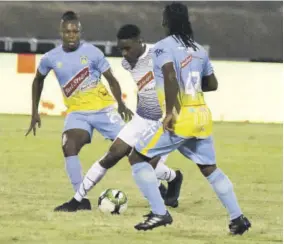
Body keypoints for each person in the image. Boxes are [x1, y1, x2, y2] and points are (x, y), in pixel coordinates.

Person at [127, 2, 251, 234]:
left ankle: (159, 213)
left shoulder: (163, 47)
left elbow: (170, 76)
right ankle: (238, 218)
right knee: (210, 168)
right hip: (201, 114)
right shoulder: (199, 49)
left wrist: (171, 112)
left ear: (166, 22)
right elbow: (212, 84)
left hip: (181, 115)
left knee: (137, 157)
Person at [53, 24, 183, 212]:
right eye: (121, 49)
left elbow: (175, 80)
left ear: (140, 41)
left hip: (166, 120)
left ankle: (173, 179)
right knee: (112, 154)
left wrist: (173, 112)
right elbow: (144, 88)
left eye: (128, 48)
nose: (124, 53)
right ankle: (76, 200)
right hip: (143, 117)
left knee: (147, 165)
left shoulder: (160, 53)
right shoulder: (127, 63)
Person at [25, 11, 133, 211]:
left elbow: (111, 79)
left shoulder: (93, 52)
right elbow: (37, 80)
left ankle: (164, 181)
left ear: (80, 32)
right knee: (69, 145)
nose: (72, 35)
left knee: (131, 149)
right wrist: (34, 111)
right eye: (68, 32)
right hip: (77, 113)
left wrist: (121, 103)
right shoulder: (50, 57)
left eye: (76, 32)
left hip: (103, 110)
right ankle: (80, 200)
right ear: (61, 33)